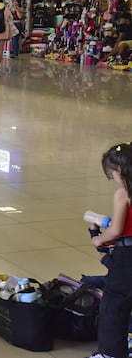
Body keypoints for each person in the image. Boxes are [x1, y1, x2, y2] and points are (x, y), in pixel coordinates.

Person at [86, 143, 132, 358]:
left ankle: (110, 354)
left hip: (127, 258)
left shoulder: (124, 194)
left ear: (119, 171)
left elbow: (115, 230)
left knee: (114, 305)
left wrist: (98, 239)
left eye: (111, 174)